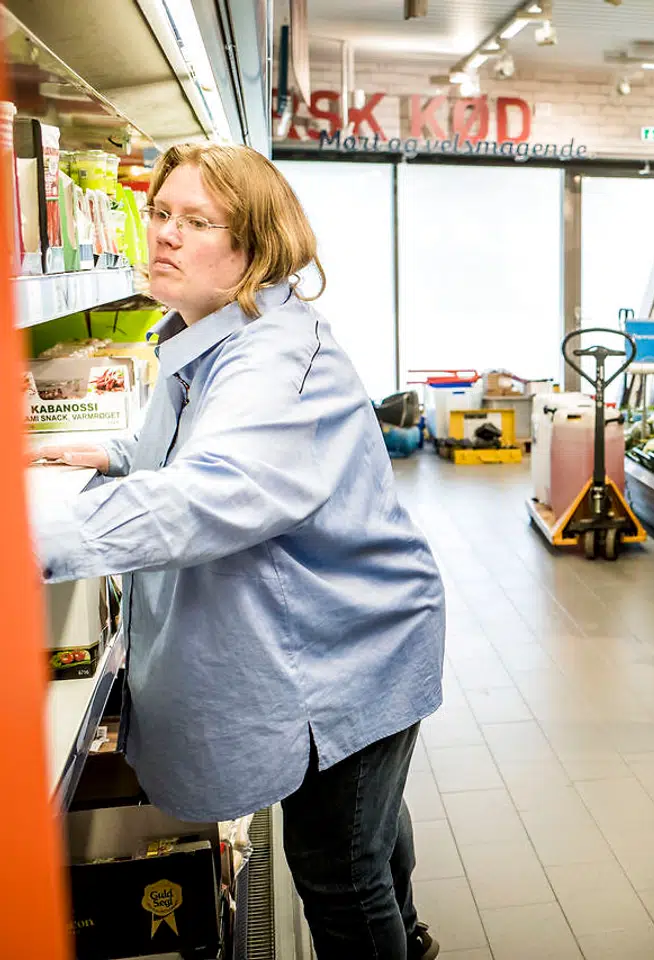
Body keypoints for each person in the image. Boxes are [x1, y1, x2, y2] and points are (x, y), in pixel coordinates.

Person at [30, 143, 445, 960]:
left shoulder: (276, 359)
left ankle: (395, 931)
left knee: (336, 867)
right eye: (161, 215)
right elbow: (203, 449)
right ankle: (413, 935)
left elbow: (213, 491)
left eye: (197, 222)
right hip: (338, 631)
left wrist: (24, 539)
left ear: (253, 249)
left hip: (350, 647)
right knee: (369, 824)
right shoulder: (208, 334)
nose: (165, 237)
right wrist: (116, 456)